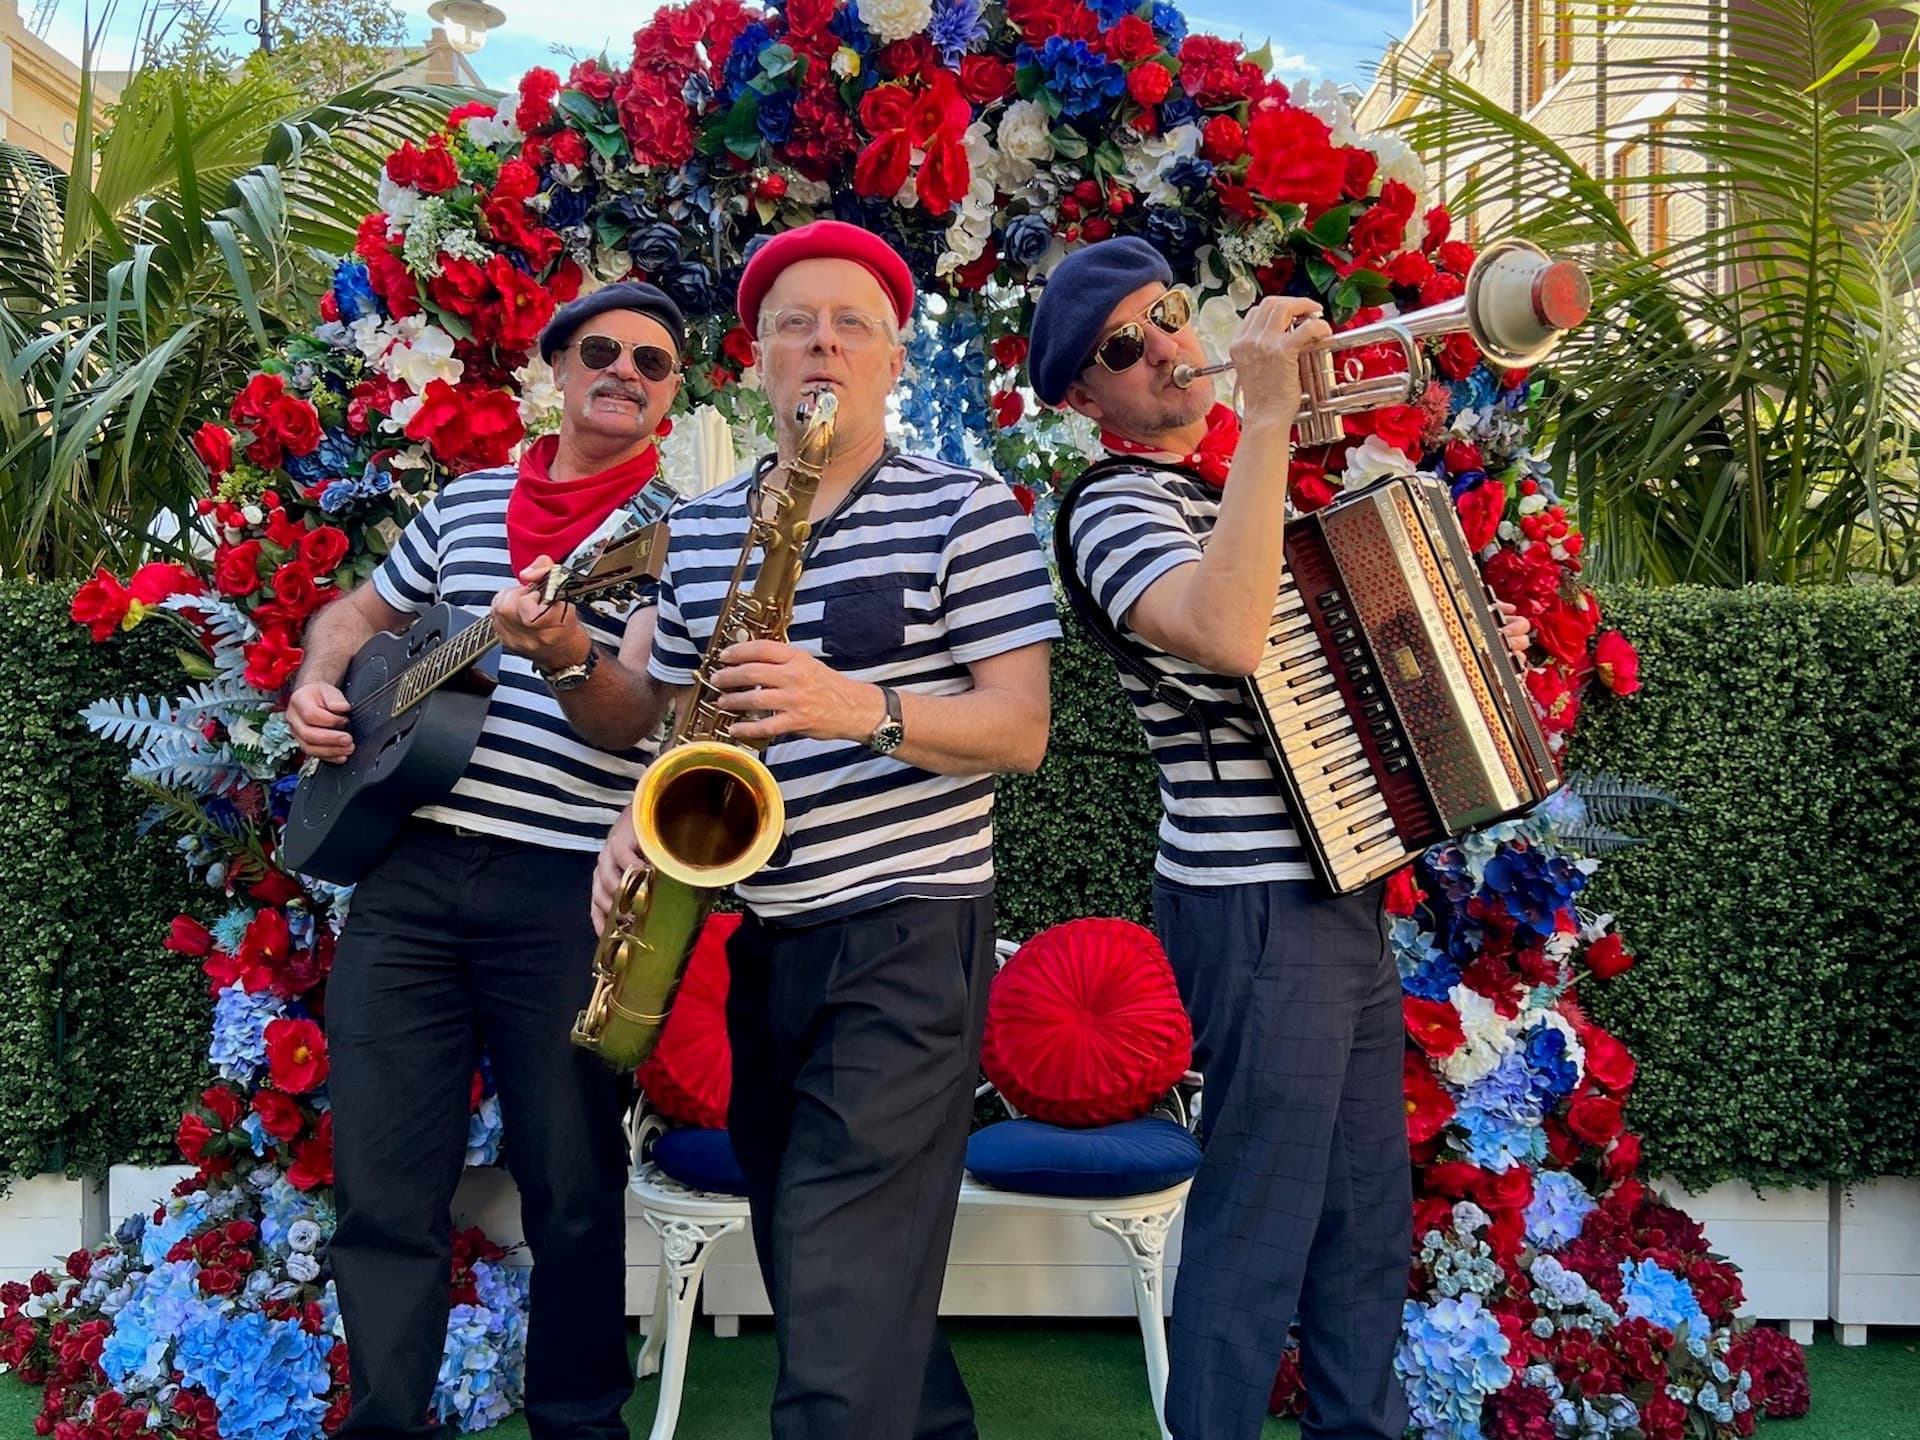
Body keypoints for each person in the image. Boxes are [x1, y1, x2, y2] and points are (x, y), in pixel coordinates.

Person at [1033, 237, 1529, 1440]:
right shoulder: (1109, 508)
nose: (1164, 347)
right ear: (1081, 400)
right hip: (1249, 904)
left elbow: (1335, 674)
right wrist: (1262, 427)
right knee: (1256, 1233)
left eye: (1165, 317)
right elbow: (1230, 633)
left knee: (1364, 1225)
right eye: (1122, 348)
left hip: (1335, 894)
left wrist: (1465, 650)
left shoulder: (1217, 498)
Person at [589, 219, 1058, 1440]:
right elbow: (679, 733)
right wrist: (634, 830)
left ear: (894, 361)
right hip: (773, 934)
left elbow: (1019, 729)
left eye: (852, 324)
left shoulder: (970, 509)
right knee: (819, 1260)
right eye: (796, 323)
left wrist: (861, 708)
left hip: (912, 929)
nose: (823, 344)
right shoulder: (698, 531)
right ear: (757, 360)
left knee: (842, 1271)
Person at [286, 282, 692, 1440]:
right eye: (604, 350)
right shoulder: (461, 506)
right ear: (558, 368)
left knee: (571, 1185)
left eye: (654, 364)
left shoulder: (676, 534)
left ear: (669, 397)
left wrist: (568, 656)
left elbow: (640, 720)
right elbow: (357, 616)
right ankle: (383, 1421)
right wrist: (320, 684)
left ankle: (577, 1419)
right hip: (405, 879)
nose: (626, 371)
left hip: (562, 888)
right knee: (381, 1182)